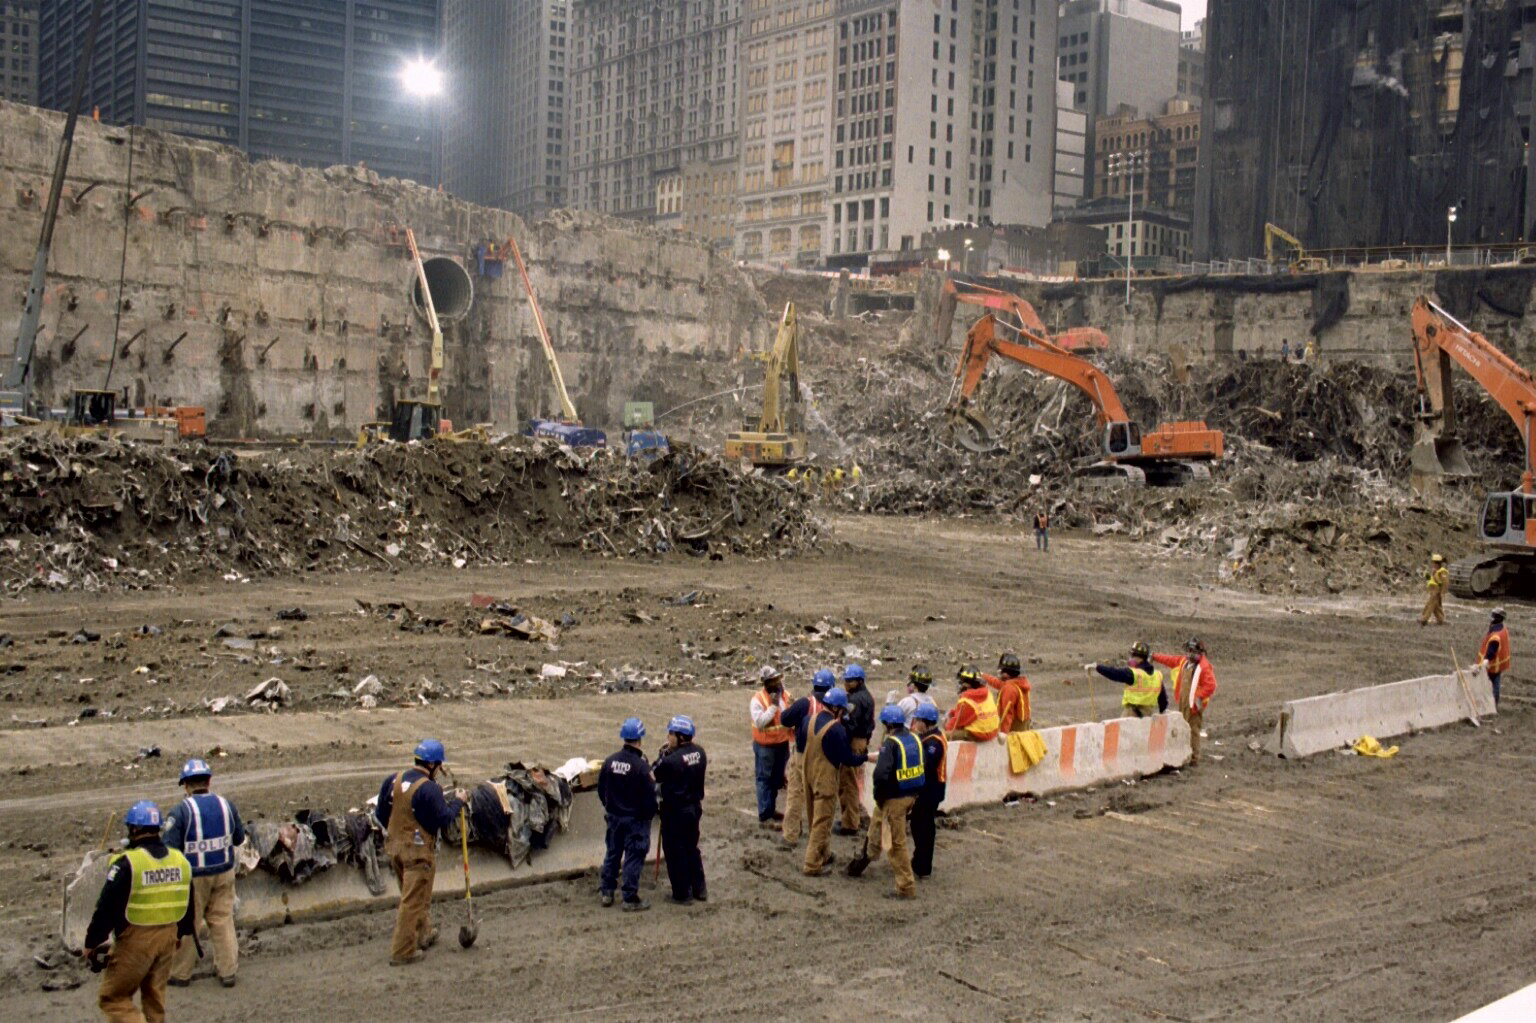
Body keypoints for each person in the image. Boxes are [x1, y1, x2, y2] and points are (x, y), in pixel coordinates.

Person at [82, 800, 194, 1023]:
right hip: (168, 937)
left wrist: (92, 942)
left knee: (113, 998)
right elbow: (188, 902)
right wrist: (180, 934)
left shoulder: (127, 863)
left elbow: (106, 908)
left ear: (133, 829)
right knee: (155, 997)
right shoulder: (179, 860)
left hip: (136, 941)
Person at [376, 739, 464, 965]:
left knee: (417, 894)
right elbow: (443, 818)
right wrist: (459, 802)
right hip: (417, 853)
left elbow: (380, 814)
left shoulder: (392, 781)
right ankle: (403, 951)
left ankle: (424, 933)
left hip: (395, 849)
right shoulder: (430, 789)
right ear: (434, 765)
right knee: (413, 900)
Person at [164, 758, 245, 988]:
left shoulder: (181, 811)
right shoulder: (226, 805)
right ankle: (227, 970)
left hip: (194, 877)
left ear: (187, 785)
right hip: (225, 871)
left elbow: (169, 847)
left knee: (188, 923)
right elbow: (238, 838)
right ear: (208, 781)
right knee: (222, 920)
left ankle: (180, 973)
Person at [846, 705, 924, 898]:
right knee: (876, 826)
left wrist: (878, 796)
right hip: (911, 795)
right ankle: (865, 857)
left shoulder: (891, 744)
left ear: (888, 724)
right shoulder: (914, 738)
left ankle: (906, 887)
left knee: (896, 843)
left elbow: (881, 775)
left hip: (893, 799)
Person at [801, 687, 873, 877]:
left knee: (813, 818)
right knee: (822, 821)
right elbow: (847, 758)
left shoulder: (810, 719)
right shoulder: (836, 729)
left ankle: (823, 854)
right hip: (825, 780)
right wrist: (864, 758)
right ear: (837, 709)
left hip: (808, 775)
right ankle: (812, 864)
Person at [598, 717, 658, 911]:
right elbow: (650, 798)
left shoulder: (609, 762)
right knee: (634, 857)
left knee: (612, 854)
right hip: (635, 820)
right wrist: (647, 816)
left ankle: (607, 891)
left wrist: (611, 807)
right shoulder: (642, 768)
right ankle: (629, 897)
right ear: (639, 740)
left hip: (614, 817)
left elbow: (601, 790)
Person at [653, 715, 707, 905]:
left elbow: (656, 773)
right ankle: (699, 888)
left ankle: (682, 893)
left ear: (680, 737)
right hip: (694, 807)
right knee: (691, 847)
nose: (668, 738)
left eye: (671, 734)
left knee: (675, 851)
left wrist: (663, 756)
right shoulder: (700, 753)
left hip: (675, 810)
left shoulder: (671, 760)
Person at [778, 668, 835, 845]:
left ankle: (790, 835)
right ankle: (817, 837)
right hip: (824, 759)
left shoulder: (805, 704)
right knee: (819, 800)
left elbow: (785, 719)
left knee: (795, 795)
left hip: (802, 755)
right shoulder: (836, 706)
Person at [1151, 638, 1218, 763]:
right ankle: (1185, 752)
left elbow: (1211, 685)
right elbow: (1170, 660)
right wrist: (1155, 656)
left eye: (1192, 651)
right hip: (1184, 700)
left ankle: (1194, 757)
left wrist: (1199, 696)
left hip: (1194, 704)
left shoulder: (1203, 667)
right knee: (1184, 727)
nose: (1189, 654)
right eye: (1188, 651)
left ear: (1199, 652)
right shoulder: (1184, 662)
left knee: (1193, 730)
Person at [748, 665, 793, 827]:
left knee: (776, 779)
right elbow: (760, 722)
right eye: (773, 680)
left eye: (778, 679)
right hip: (765, 746)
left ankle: (770, 809)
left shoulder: (785, 696)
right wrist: (773, 706)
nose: (777, 682)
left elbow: (791, 715)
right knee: (764, 780)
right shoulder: (757, 700)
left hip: (782, 744)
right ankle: (765, 814)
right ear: (766, 683)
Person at [836, 663, 876, 836]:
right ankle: (851, 818)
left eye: (849, 681)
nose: (846, 683)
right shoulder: (867, 696)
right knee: (852, 782)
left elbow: (849, 725)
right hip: (862, 742)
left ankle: (850, 823)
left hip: (854, 743)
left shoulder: (855, 700)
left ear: (858, 681)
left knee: (848, 784)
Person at [909, 703, 947, 880]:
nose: (915, 723)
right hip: (930, 788)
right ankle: (920, 862)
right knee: (920, 825)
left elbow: (926, 765)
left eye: (918, 720)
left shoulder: (933, 743)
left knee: (923, 827)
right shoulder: (930, 738)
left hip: (931, 789)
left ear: (926, 722)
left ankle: (922, 866)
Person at [1085, 643, 1166, 719]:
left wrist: (1097, 667)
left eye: (1132, 655)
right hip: (1148, 715)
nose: (1131, 658)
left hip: (1132, 714)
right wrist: (1163, 712)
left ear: (1137, 657)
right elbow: (1163, 700)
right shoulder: (1157, 675)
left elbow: (1115, 673)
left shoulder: (1134, 674)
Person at [945, 666, 1001, 741]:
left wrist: (947, 726)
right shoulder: (986, 692)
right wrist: (953, 712)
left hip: (978, 734)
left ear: (968, 685)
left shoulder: (968, 699)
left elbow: (957, 722)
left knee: (944, 736)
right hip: (992, 731)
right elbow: (967, 712)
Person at [984, 652, 1033, 734]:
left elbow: (1007, 713)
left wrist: (1004, 733)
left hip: (1014, 730)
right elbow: (998, 683)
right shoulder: (1018, 683)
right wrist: (983, 676)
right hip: (1024, 727)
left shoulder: (1009, 689)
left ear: (1006, 673)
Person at [1478, 608, 1511, 707]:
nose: (1491, 619)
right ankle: (1493, 703)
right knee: (1495, 683)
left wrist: (1486, 660)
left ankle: (1492, 704)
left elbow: (1492, 650)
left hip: (1493, 665)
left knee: (1492, 684)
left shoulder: (1495, 636)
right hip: (1500, 662)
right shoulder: (1502, 629)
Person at [1420, 553, 1449, 626]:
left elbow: (1445, 582)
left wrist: (1442, 592)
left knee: (1430, 605)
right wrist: (1428, 577)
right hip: (1433, 590)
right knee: (1436, 607)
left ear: (1437, 563)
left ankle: (1424, 619)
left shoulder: (1442, 572)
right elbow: (1433, 580)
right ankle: (1440, 620)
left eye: (1434, 562)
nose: (1433, 564)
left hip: (1436, 591)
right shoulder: (1435, 571)